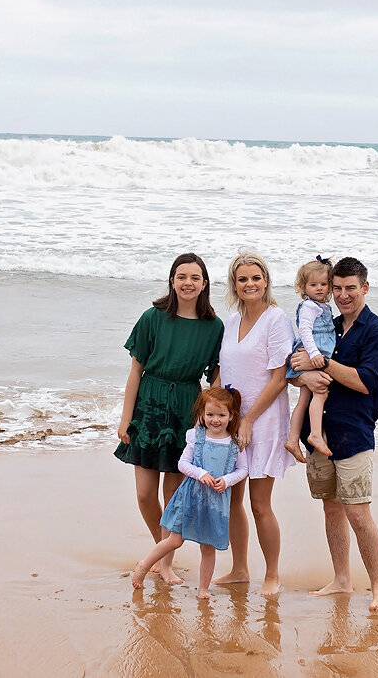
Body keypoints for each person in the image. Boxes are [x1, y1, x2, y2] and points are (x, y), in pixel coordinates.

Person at [288, 257, 378, 612]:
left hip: (354, 434)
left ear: (365, 287)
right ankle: (342, 580)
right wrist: (302, 372)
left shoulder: (376, 331)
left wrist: (320, 362)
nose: (343, 295)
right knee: (331, 510)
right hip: (319, 435)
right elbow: (296, 368)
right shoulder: (327, 325)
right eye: (337, 288)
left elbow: (365, 382)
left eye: (351, 288)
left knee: (358, 514)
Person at [115, 253, 224, 585]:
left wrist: (214, 421)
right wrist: (125, 417)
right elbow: (136, 371)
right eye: (181, 276)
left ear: (204, 283)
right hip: (149, 403)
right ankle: (160, 547)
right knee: (146, 494)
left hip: (186, 407)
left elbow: (216, 378)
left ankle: (164, 564)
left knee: (173, 494)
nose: (188, 283)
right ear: (172, 281)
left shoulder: (214, 326)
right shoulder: (152, 317)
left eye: (194, 277)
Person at [212, 251, 295, 597]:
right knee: (232, 501)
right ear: (234, 284)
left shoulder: (277, 320)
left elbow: (279, 379)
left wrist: (248, 419)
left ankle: (272, 574)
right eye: (242, 279)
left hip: (263, 422)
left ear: (266, 281)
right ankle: (239, 569)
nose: (250, 284)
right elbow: (222, 372)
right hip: (231, 423)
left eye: (256, 278)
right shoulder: (231, 322)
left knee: (260, 504)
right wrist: (213, 412)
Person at [131, 387, 249, 599]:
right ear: (202, 414)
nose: (215, 420)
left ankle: (203, 588)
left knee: (208, 547)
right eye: (210, 414)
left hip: (215, 501)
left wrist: (227, 480)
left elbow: (243, 470)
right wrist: (201, 473)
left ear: (231, 416)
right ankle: (144, 565)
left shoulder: (234, 443)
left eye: (221, 415)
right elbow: (183, 464)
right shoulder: (196, 437)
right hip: (191, 497)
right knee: (175, 540)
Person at [284, 256, 336, 460]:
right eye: (314, 284)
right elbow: (304, 330)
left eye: (324, 284)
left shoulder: (321, 306)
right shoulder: (310, 307)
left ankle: (292, 439)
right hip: (311, 355)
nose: (320, 288)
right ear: (303, 287)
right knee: (321, 393)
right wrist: (314, 354)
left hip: (314, 354)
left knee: (305, 399)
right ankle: (315, 434)